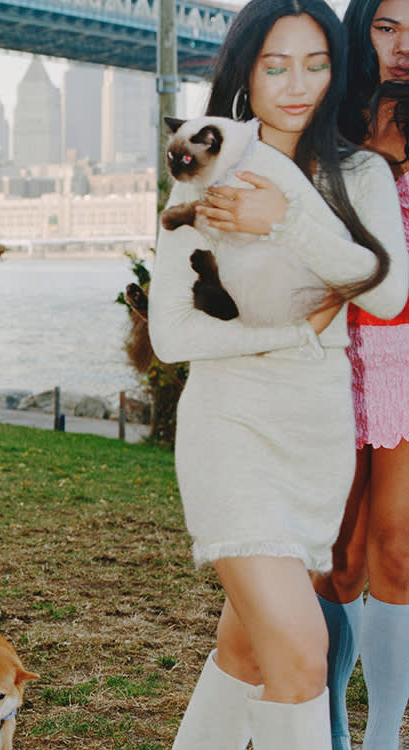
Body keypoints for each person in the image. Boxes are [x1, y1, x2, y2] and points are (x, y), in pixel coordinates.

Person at [147, 0, 408, 748]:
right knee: (301, 656)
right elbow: (170, 334)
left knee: (245, 654)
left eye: (317, 63)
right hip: (232, 431)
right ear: (244, 71)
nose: (299, 84)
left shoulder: (360, 172)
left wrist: (285, 219)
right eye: (276, 65)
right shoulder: (207, 163)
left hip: (316, 443)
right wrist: (296, 331)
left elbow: (388, 291)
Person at [312, 2, 409, 749]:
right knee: (337, 560)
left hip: (407, 358)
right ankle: (331, 731)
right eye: (387, 26)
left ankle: (384, 738)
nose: (404, 46)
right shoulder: (324, 125)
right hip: (335, 355)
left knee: (399, 555)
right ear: (359, 30)